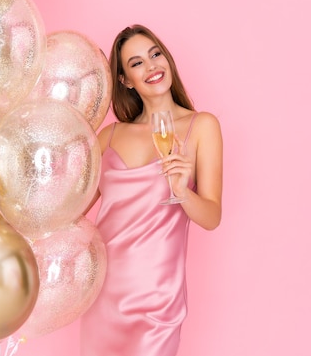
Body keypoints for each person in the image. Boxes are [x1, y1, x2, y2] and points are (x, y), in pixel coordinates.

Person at [79, 24, 223, 356]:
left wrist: (183, 192)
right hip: (103, 294)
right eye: (137, 62)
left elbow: (212, 216)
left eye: (155, 54)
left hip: (157, 301)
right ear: (125, 80)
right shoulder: (109, 136)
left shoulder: (201, 127)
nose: (152, 66)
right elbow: (74, 213)